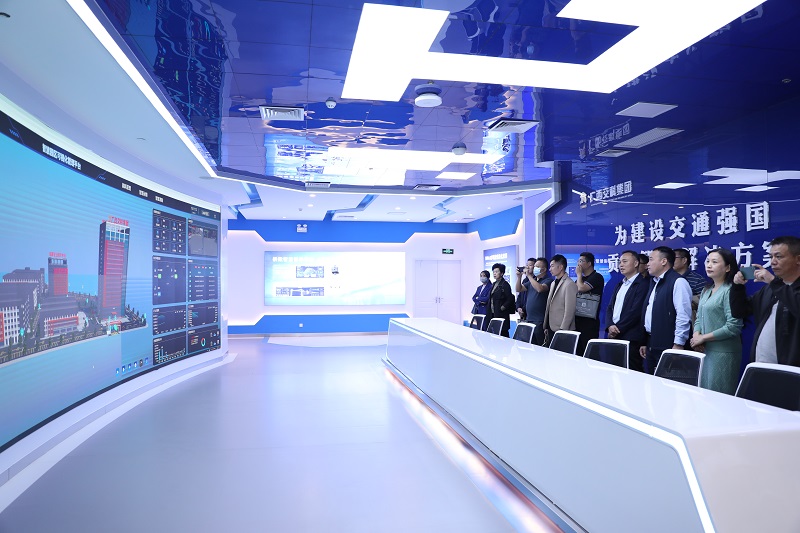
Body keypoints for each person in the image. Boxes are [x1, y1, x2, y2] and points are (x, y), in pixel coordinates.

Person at [733, 236, 800, 367]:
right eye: (771, 257)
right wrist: (737, 287)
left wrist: (773, 282)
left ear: (798, 259)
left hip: (791, 369)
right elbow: (739, 312)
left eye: (778, 257)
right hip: (762, 365)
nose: (773, 262)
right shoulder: (769, 289)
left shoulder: (774, 285)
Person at [689, 249, 745, 394]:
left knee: (720, 396)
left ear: (728, 268)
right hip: (706, 351)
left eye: (714, 262)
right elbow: (699, 317)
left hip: (724, 352)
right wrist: (696, 336)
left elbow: (733, 326)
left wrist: (703, 338)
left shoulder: (730, 290)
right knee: (705, 393)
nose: (709, 265)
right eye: (708, 261)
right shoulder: (706, 290)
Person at [639, 246, 693, 374]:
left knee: (668, 381)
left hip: (669, 344)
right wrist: (644, 342)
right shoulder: (654, 282)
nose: (647, 264)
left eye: (651, 259)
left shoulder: (678, 282)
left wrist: (678, 343)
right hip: (652, 342)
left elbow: (683, 315)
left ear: (663, 261)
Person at [605, 250, 649, 372]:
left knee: (632, 372)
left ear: (636, 263)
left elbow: (636, 312)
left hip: (630, 337)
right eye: (620, 262)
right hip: (615, 335)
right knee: (615, 371)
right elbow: (610, 307)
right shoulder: (620, 284)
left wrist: (617, 329)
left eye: (625, 261)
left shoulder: (643, 284)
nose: (621, 265)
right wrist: (610, 326)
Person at [516, 257, 552, 345]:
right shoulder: (533, 281)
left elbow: (540, 289)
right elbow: (519, 289)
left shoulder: (548, 280)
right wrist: (519, 277)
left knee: (541, 345)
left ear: (544, 269)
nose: (534, 268)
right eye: (535, 266)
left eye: (537, 267)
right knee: (531, 345)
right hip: (529, 319)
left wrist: (529, 276)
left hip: (540, 320)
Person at [543, 254, 577, 345]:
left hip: (562, 329)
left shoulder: (569, 284)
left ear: (561, 267)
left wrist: (563, 330)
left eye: (552, 266)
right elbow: (549, 305)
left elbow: (570, 310)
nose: (550, 269)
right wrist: (546, 325)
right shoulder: (553, 283)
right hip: (551, 327)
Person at [575, 252, 604, 355]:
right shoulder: (581, 279)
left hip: (590, 321)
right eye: (578, 261)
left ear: (589, 263)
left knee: (590, 352)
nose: (578, 264)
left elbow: (581, 288)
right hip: (578, 319)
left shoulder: (597, 277)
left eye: (581, 261)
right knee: (578, 352)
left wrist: (578, 274)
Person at [484, 263, 515, 337]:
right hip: (492, 313)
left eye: (496, 272)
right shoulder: (494, 284)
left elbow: (510, 299)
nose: (494, 273)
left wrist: (502, 308)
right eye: (493, 272)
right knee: (494, 334)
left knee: (503, 334)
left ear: (502, 273)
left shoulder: (505, 284)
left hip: (501, 314)